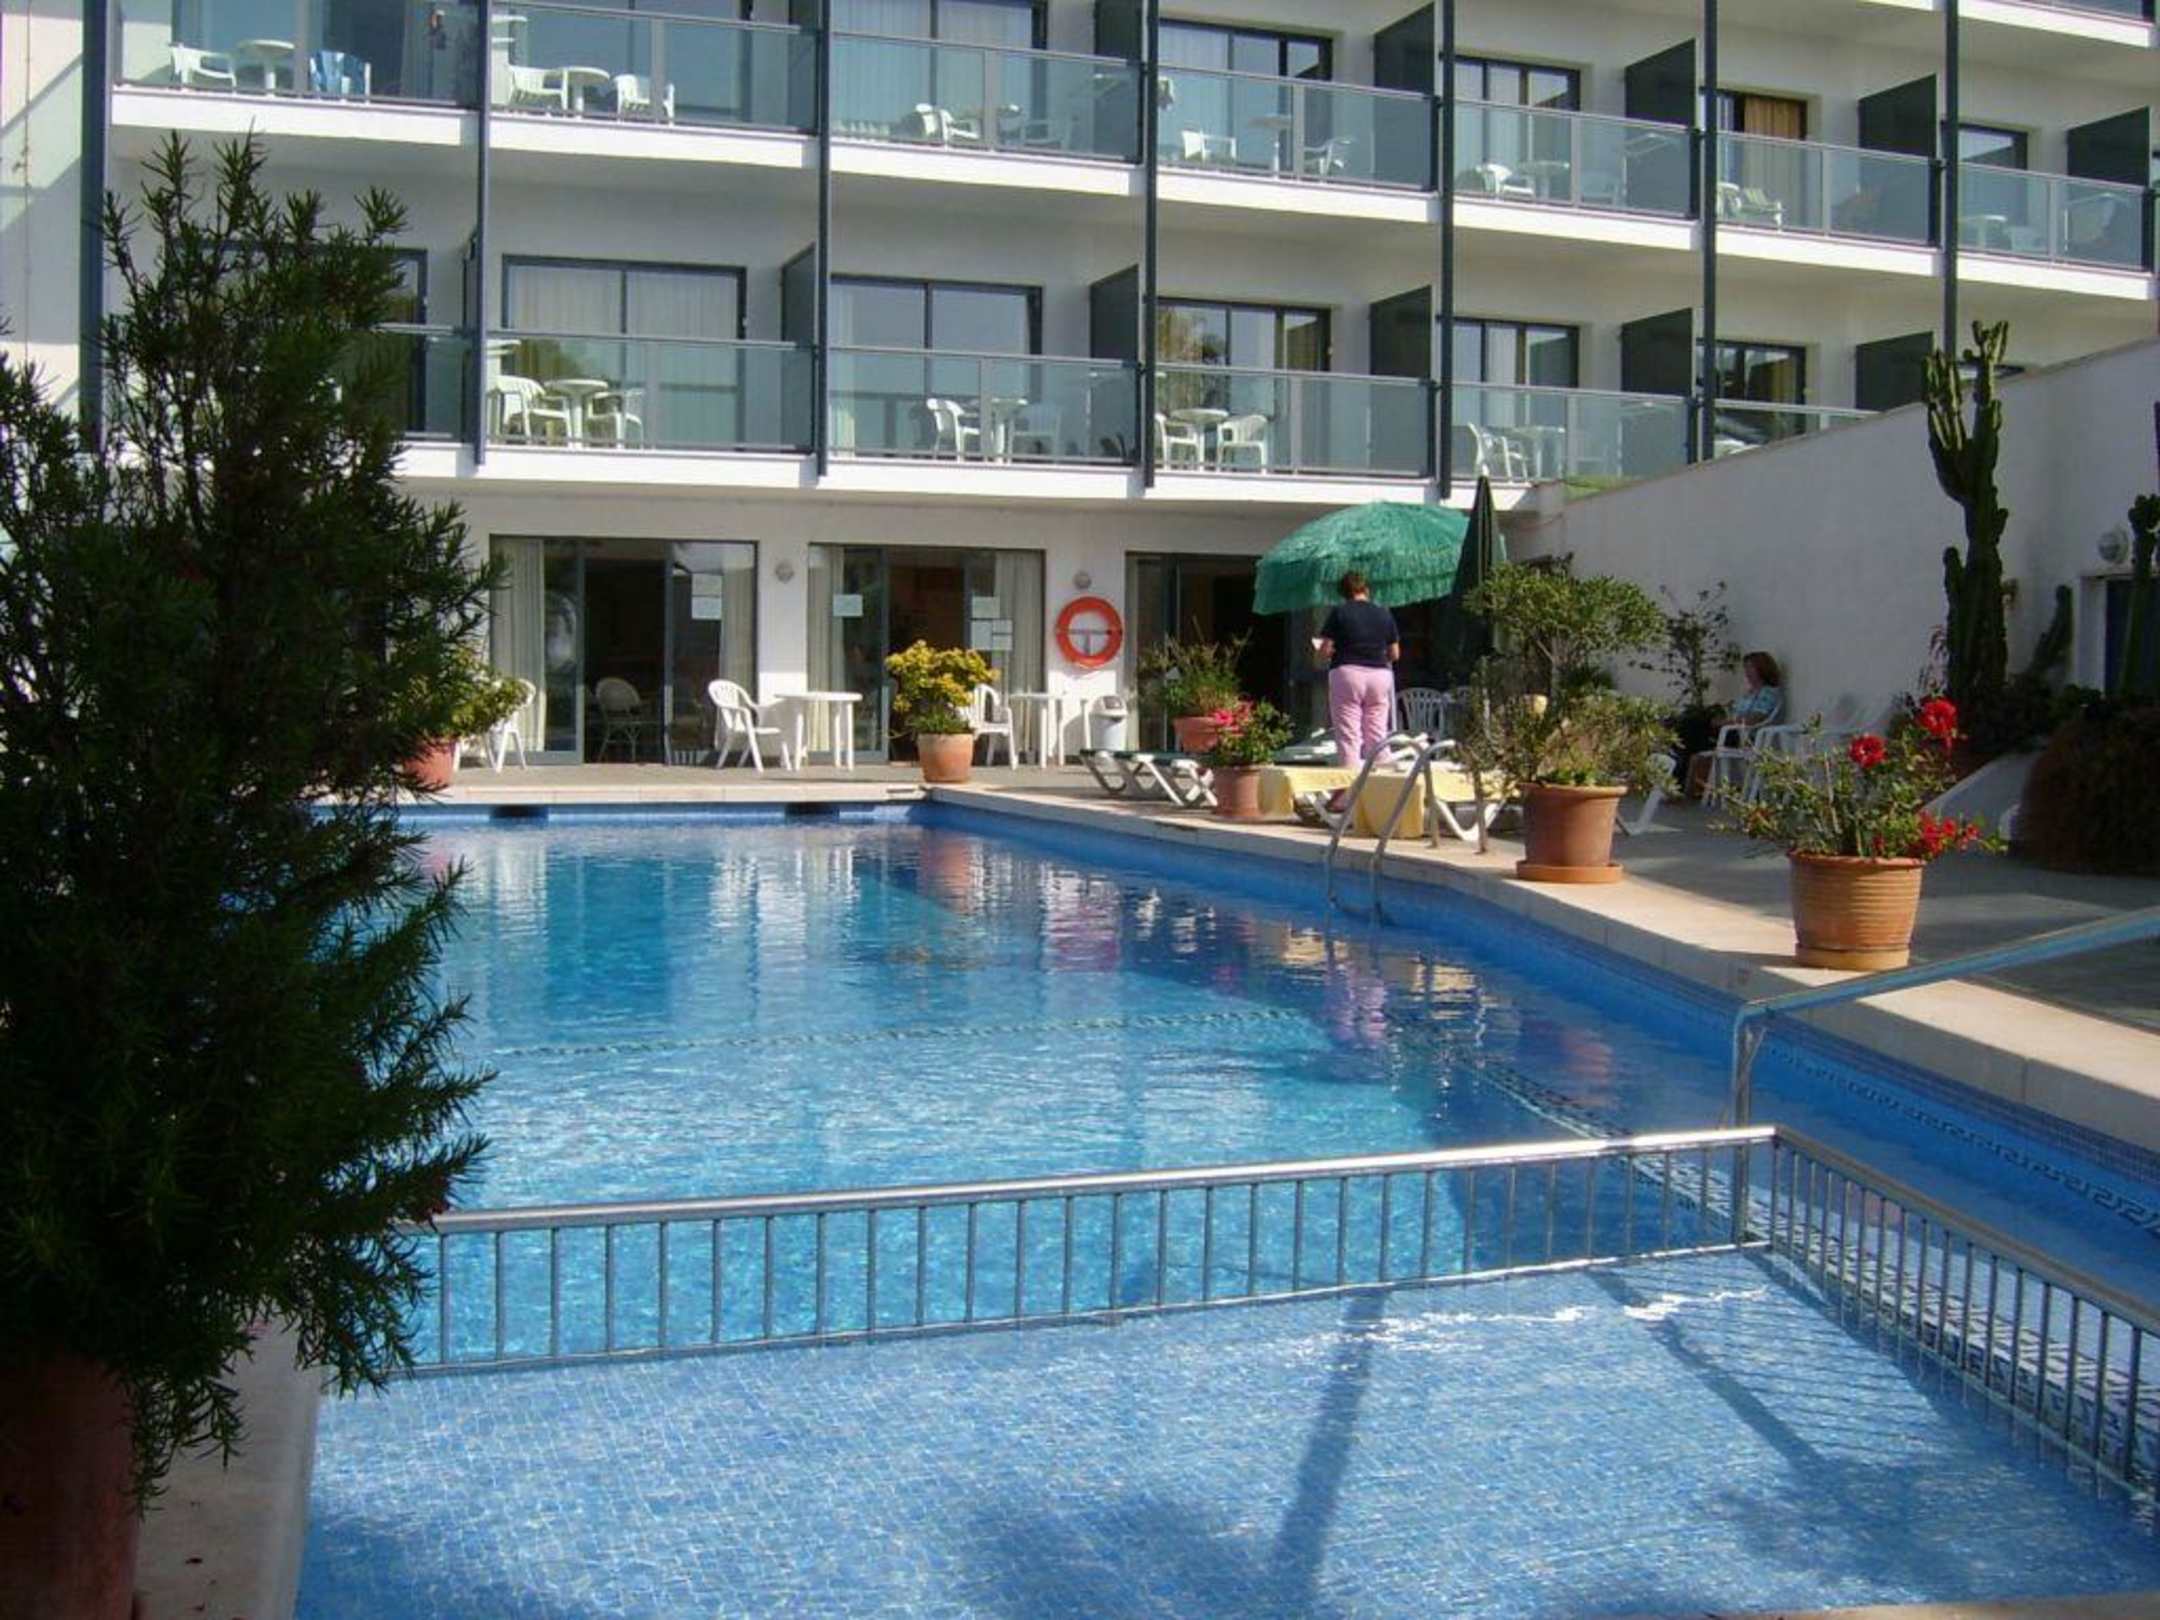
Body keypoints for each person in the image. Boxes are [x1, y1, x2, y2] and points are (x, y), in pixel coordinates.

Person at [1316, 571, 1400, 811]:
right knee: (1377, 733)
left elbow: (1326, 649)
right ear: (1366, 589)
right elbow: (1395, 654)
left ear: (1343, 593)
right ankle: (1384, 793)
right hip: (1379, 675)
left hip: (1348, 673)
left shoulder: (1339, 612)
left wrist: (1324, 651)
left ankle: (1348, 795)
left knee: (1349, 735)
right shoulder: (1383, 613)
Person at [1687, 649, 1785, 799]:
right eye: (1746, 668)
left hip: (1744, 736)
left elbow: (1754, 719)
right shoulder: (1749, 693)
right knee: (1693, 729)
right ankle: (1684, 783)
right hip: (1732, 730)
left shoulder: (1768, 693)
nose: (1747, 672)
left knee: (1693, 729)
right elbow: (1735, 714)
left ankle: (1682, 785)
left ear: (1762, 668)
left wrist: (1724, 723)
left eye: (1751, 667)